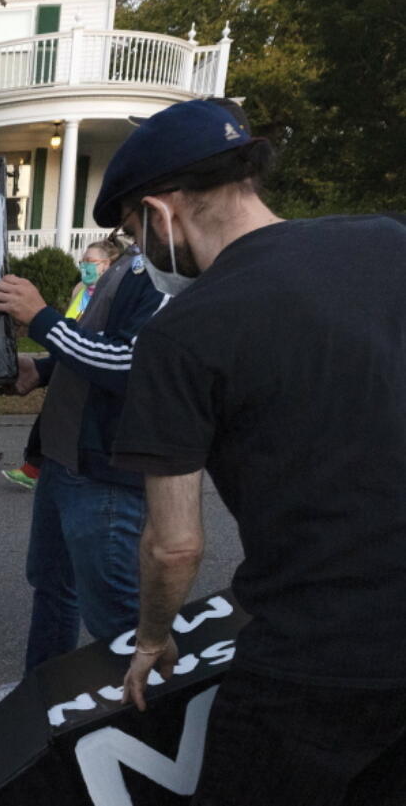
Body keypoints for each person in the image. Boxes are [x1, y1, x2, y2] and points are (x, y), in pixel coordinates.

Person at [101, 99, 406, 803]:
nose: (140, 251)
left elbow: (173, 545)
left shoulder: (182, 335)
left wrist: (152, 636)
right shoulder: (389, 242)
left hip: (316, 659)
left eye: (132, 233)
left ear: (160, 213)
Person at [0, 226, 166, 713]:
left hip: (105, 473)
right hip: (65, 459)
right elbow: (99, 341)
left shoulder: (166, 274)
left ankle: (145, 723)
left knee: (115, 611)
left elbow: (130, 363)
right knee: (54, 586)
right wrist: (45, 369)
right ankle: (41, 695)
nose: (123, 222)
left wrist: (42, 318)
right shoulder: (132, 262)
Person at [1, 240, 122, 490]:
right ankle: (35, 468)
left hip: (88, 397)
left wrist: (39, 318)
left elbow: (111, 354)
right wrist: (42, 368)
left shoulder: (117, 292)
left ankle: (33, 467)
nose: (85, 267)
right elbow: (70, 329)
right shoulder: (80, 289)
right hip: (64, 365)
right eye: (83, 261)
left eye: (91, 262)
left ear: (107, 265)